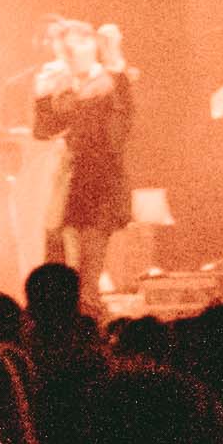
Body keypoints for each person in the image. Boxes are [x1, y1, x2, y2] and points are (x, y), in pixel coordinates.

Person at [32, 20, 138, 294]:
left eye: (79, 43)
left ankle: (88, 312)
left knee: (89, 265)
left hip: (100, 180)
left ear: (93, 45)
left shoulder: (111, 80)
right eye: (65, 46)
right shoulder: (55, 85)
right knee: (60, 263)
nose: (70, 51)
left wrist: (115, 61)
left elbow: (120, 127)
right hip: (65, 182)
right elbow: (42, 130)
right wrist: (47, 97)